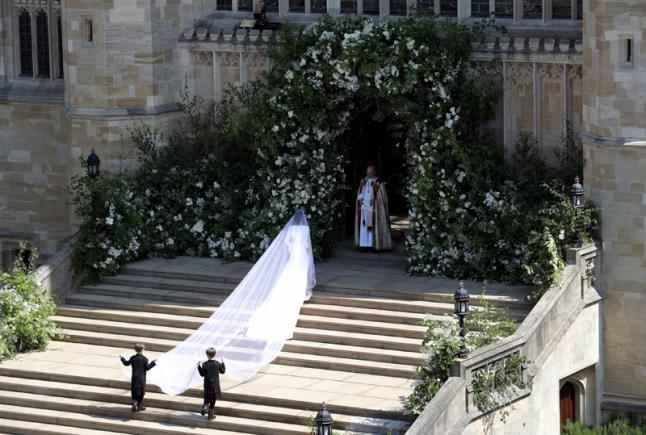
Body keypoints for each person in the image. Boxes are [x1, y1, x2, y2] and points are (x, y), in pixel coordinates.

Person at [354, 163, 392, 251]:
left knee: (370, 227)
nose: (369, 173)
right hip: (364, 207)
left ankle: (371, 245)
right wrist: (360, 200)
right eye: (368, 171)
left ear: (374, 172)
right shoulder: (363, 181)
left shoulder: (378, 182)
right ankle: (363, 245)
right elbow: (360, 192)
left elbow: (382, 197)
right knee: (364, 227)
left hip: (373, 208)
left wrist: (375, 200)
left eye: (370, 171)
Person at [120, 343, 156, 412]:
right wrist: (153, 363)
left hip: (134, 378)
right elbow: (147, 368)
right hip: (141, 378)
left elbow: (126, 363)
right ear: (142, 350)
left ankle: (134, 403)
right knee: (141, 392)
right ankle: (139, 405)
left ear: (135, 350)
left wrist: (122, 358)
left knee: (135, 391)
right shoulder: (145, 359)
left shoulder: (133, 358)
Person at [198, 347, 226, 420]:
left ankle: (205, 406)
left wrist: (198, 366)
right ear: (215, 354)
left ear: (207, 355)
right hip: (215, 385)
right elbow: (223, 371)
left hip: (207, 384)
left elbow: (202, 374)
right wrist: (223, 362)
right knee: (213, 400)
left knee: (207, 398)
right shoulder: (217, 363)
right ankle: (210, 416)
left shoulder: (205, 364)